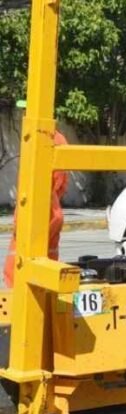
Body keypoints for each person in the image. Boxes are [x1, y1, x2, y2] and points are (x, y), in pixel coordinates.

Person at [3, 100, 69, 288]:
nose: (23, 116)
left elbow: (36, 180)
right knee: (47, 259)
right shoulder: (58, 139)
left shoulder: (40, 140)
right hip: (52, 207)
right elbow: (62, 183)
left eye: (26, 111)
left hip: (39, 207)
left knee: (23, 262)